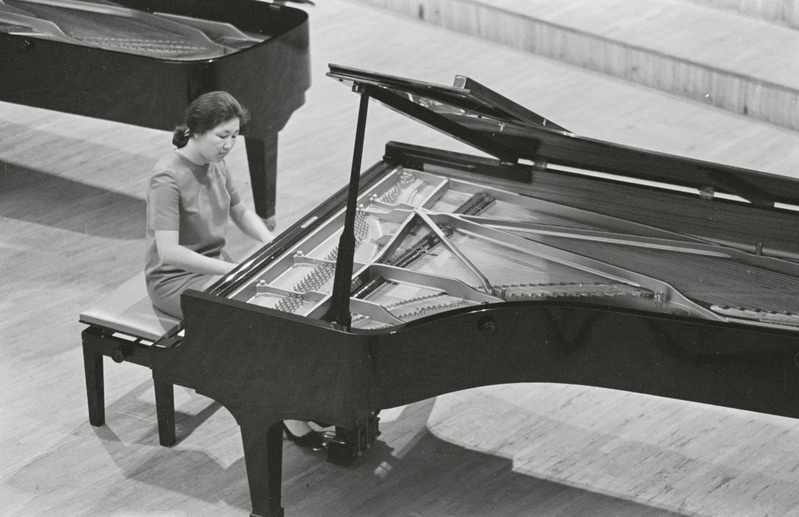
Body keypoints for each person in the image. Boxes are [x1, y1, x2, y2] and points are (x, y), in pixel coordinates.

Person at [144, 91, 323, 449]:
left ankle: (295, 398)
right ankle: (285, 413)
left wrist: (271, 242)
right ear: (196, 130)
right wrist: (232, 268)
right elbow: (170, 253)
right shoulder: (166, 177)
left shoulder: (217, 164)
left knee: (285, 309)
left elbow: (241, 212)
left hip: (215, 267)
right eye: (222, 136)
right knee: (256, 325)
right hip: (175, 280)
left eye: (235, 136)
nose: (229, 145)